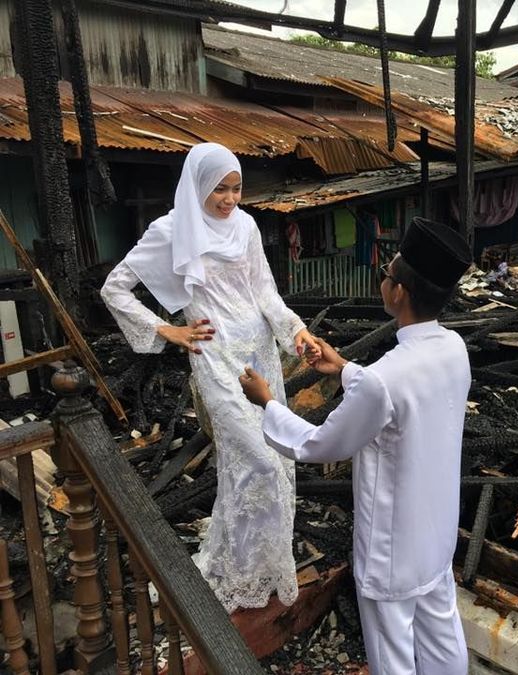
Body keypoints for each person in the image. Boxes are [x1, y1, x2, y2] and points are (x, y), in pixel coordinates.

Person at [240, 217, 473, 675]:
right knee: (442, 635)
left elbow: (319, 442)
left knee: (393, 656)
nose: (383, 279)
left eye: (387, 272)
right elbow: (399, 394)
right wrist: (345, 367)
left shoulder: (385, 380)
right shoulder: (454, 349)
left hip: (392, 545)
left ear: (399, 292)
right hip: (436, 533)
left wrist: (267, 403)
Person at [100, 142, 320, 613]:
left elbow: (267, 293)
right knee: (256, 461)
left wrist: (297, 332)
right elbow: (114, 287)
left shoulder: (246, 227)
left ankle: (258, 567)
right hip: (215, 360)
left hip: (259, 357)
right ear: (198, 184)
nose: (230, 198)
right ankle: (235, 571)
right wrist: (167, 329)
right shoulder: (170, 230)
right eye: (220, 188)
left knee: (274, 463)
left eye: (237, 187)